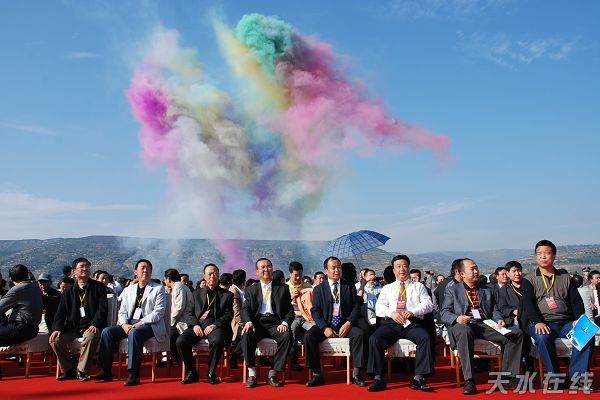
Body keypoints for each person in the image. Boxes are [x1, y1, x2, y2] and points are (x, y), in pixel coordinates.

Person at [441, 258, 523, 395]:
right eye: (472, 269)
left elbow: (494, 310)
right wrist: (457, 318)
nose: (476, 271)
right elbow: (444, 312)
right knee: (464, 330)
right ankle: (469, 380)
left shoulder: (486, 290)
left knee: (516, 334)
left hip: (484, 324)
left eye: (476, 268)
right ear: (462, 273)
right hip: (463, 324)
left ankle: (507, 378)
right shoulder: (452, 290)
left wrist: (499, 319)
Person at [522, 240, 594, 391]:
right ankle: (556, 378)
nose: (543, 257)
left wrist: (577, 320)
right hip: (543, 323)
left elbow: (576, 302)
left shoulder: (565, 277)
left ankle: (578, 378)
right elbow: (528, 305)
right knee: (542, 338)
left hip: (566, 323)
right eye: (539, 254)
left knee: (586, 333)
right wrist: (537, 321)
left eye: (547, 253)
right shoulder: (529, 279)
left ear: (554, 256)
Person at [366, 255, 435, 392]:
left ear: (408, 268)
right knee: (374, 339)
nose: (401, 269)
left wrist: (413, 311)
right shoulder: (387, 288)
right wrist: (392, 313)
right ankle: (378, 378)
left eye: (404, 266)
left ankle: (418, 378)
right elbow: (379, 307)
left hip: (412, 323)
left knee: (425, 338)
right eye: (398, 267)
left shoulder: (418, 286)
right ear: (394, 270)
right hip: (391, 323)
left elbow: (428, 304)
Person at [95, 259, 166, 386]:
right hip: (129, 324)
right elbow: (122, 311)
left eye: (148, 268)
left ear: (151, 272)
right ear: (135, 272)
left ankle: (134, 373)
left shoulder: (158, 288)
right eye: (142, 268)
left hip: (149, 325)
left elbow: (158, 312)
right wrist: (123, 324)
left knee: (135, 332)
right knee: (107, 332)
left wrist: (140, 323)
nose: (145, 270)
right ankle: (105, 370)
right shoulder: (129, 290)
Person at [305, 256, 367, 387]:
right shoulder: (319, 289)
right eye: (333, 267)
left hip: (345, 323)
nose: (337, 270)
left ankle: (356, 374)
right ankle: (317, 374)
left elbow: (356, 307)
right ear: (326, 270)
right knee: (309, 336)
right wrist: (324, 327)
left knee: (360, 334)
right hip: (327, 324)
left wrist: (349, 323)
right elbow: (315, 310)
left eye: (339, 267)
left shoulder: (349, 286)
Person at [50, 258, 108, 381]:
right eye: (82, 266)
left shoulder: (99, 287)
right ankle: (69, 369)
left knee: (91, 336)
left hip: (91, 326)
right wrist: (57, 328)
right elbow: (60, 313)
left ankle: (81, 370)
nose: (85, 269)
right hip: (73, 327)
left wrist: (95, 324)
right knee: (55, 339)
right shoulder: (68, 291)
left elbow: (102, 309)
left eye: (87, 266)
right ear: (74, 271)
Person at [241, 258, 294, 388]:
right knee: (246, 334)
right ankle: (252, 374)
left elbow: (290, 311)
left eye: (269, 266)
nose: (266, 269)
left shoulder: (282, 288)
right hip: (257, 323)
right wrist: (248, 322)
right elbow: (245, 309)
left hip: (275, 323)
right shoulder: (251, 289)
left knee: (287, 336)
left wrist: (284, 324)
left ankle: (272, 373)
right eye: (263, 267)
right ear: (257, 271)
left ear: (272, 268)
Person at [177, 264, 233, 384]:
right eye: (210, 274)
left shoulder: (227, 295)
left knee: (217, 340)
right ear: (204, 276)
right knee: (181, 341)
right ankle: (192, 372)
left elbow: (228, 315)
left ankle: (211, 373)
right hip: (198, 325)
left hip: (215, 326)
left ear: (218, 275)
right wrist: (195, 325)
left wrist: (215, 325)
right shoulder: (196, 294)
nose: (213, 276)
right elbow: (188, 313)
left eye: (215, 273)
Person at [0, 264, 43, 379]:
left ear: (11, 279)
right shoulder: (35, 287)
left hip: (21, 328)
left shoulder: (18, 289)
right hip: (33, 328)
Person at [163, 268, 194, 363]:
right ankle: (174, 358)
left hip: (182, 321)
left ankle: (177, 358)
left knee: (168, 335)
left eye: (165, 279)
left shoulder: (178, 287)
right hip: (179, 320)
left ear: (168, 279)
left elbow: (179, 307)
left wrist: (170, 322)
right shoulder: (178, 286)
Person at [287, 261, 312, 371]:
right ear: (290, 274)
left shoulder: (307, 286)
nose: (298, 278)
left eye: (300, 275)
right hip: (293, 317)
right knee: (292, 331)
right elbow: (281, 306)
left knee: (314, 330)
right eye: (295, 275)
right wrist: (291, 298)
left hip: (307, 318)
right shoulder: (285, 287)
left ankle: (311, 361)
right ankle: (293, 361)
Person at [228, 269, 246, 368]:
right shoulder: (233, 292)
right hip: (235, 323)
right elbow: (236, 313)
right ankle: (234, 356)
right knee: (247, 334)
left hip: (240, 320)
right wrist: (244, 325)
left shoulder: (238, 290)